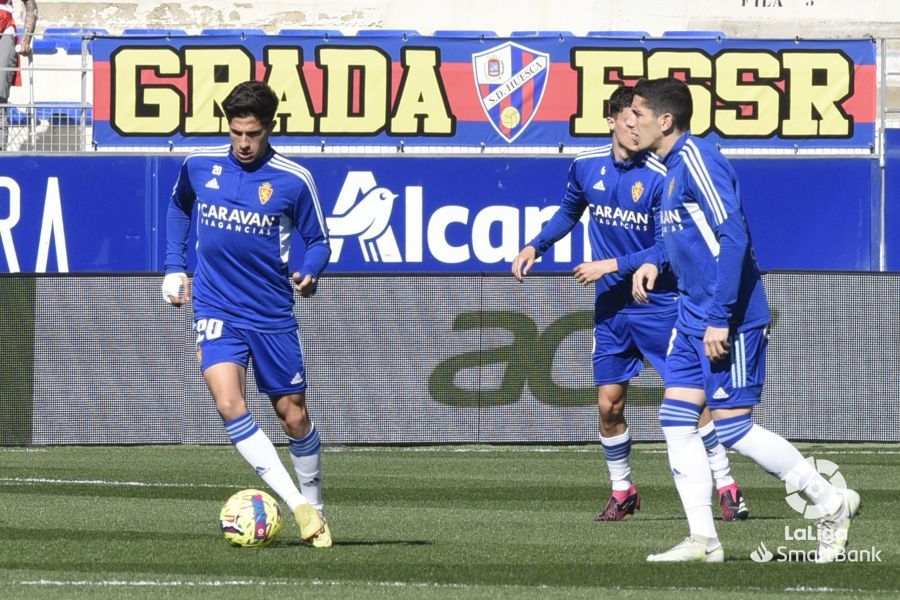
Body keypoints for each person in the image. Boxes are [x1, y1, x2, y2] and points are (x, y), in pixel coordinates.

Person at [628, 77, 859, 563]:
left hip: (726, 319)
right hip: (692, 318)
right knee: (676, 421)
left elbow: (733, 239)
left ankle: (830, 501)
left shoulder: (696, 159)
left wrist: (719, 318)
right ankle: (704, 540)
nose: (632, 122)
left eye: (639, 115)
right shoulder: (670, 168)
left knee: (732, 428)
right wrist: (655, 260)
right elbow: (687, 240)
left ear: (665, 121)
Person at [511, 85, 748, 523]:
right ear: (612, 121)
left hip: (661, 303)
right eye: (629, 118)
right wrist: (536, 245)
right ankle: (623, 491)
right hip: (614, 309)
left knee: (691, 403)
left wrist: (611, 264)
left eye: (641, 116)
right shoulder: (585, 166)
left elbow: (667, 245)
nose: (636, 124)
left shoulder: (663, 172)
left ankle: (727, 485)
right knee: (609, 403)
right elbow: (568, 211)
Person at [162, 80, 333, 548]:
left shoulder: (293, 180)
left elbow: (319, 242)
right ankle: (298, 508)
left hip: (272, 312)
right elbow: (179, 208)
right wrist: (175, 267)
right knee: (228, 403)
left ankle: (315, 506)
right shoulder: (199, 165)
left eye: (252, 134)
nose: (243, 142)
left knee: (293, 417)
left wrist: (311, 273)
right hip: (216, 305)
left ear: (268, 129)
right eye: (236, 132)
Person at [0, 0, 36, 150]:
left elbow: (31, 5)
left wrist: (26, 39)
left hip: (4, 29)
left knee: (0, 95)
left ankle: (1, 151)